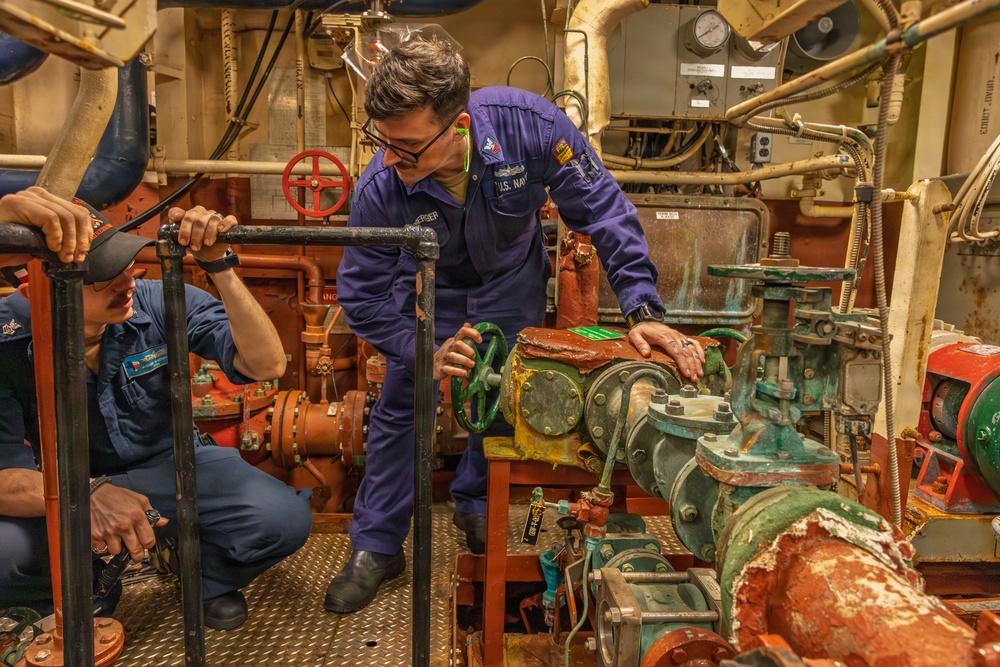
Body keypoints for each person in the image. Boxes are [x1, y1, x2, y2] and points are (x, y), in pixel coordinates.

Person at [328, 38, 706, 614]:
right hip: (427, 294)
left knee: (503, 395)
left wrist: (643, 309)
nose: (389, 157)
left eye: (406, 145)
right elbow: (362, 296)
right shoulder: (381, 188)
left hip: (510, 283)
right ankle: (377, 544)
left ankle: (477, 503)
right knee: (403, 405)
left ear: (457, 125)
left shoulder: (531, 127)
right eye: (381, 140)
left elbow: (604, 209)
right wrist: (419, 349)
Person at [0, 188, 313, 630]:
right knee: (5, 555)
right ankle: (90, 581)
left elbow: (266, 364)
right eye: (103, 277)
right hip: (58, 480)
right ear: (37, 290)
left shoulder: (155, 298)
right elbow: (2, 476)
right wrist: (86, 492)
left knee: (280, 519)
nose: (128, 279)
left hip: (170, 465)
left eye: (126, 264)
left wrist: (219, 266)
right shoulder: (7, 341)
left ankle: (199, 572)